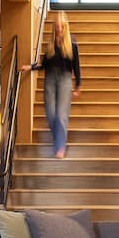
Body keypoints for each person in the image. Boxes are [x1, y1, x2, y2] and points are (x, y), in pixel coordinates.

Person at [39, 10, 87, 159]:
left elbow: (76, 66)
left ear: (65, 27)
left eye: (62, 26)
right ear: (54, 27)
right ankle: (59, 140)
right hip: (50, 79)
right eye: (57, 26)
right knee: (51, 113)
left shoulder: (72, 43)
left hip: (65, 79)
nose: (59, 29)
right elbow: (43, 65)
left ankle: (60, 147)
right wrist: (30, 67)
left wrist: (78, 86)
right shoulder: (50, 44)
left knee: (61, 115)